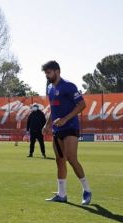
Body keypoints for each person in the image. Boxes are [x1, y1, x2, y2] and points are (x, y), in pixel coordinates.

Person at [42, 60, 92, 205]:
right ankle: (62, 194)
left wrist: (65, 119)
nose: (47, 76)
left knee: (71, 158)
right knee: (60, 161)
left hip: (70, 127)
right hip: (57, 130)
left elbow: (82, 104)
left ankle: (87, 190)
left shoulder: (69, 86)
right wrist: (47, 124)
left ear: (57, 71)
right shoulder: (50, 88)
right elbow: (53, 109)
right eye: (46, 73)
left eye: (49, 73)